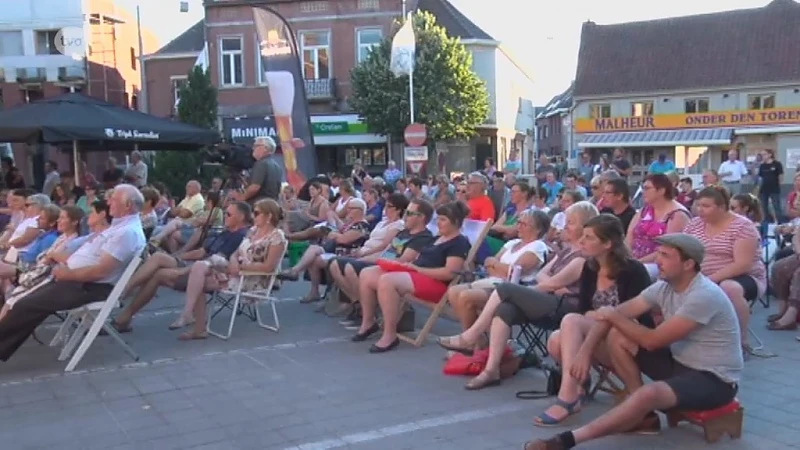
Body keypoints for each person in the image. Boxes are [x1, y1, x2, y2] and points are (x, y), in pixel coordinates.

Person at [525, 234, 742, 450]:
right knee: (617, 335)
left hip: (715, 379)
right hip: (680, 363)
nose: (658, 260)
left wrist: (613, 316)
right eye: (659, 253)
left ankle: (567, 441)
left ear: (688, 264)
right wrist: (584, 352)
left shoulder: (703, 295)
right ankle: (644, 416)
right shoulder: (664, 287)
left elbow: (652, 341)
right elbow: (616, 313)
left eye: (666, 256)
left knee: (649, 392)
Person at [437, 202, 599, 387]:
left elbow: (549, 283)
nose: (564, 226)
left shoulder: (581, 258)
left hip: (567, 308)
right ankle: (491, 370)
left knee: (507, 289)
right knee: (506, 309)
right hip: (551, 299)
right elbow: (542, 276)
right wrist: (550, 284)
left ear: (586, 226)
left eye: (571, 222)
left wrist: (539, 287)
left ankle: (470, 337)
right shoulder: (566, 251)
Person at [0, 185, 145, 361]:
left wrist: (66, 274)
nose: (108, 202)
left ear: (128, 205)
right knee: (24, 300)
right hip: (77, 280)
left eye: (113, 199)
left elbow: (100, 272)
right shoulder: (119, 228)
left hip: (88, 286)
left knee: (25, 304)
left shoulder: (127, 233)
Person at [534, 214, 651, 425]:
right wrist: (603, 315)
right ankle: (577, 387)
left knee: (570, 322)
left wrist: (602, 317)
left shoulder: (633, 271)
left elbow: (633, 316)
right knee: (556, 340)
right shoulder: (590, 268)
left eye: (589, 237)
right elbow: (584, 311)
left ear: (607, 243)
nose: (581, 241)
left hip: (625, 342)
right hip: (597, 336)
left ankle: (568, 397)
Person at [352, 201, 471, 353]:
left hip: (435, 284)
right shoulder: (438, 239)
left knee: (387, 281)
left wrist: (417, 268)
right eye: (438, 218)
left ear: (455, 222)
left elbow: (449, 273)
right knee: (368, 273)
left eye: (443, 219)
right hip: (417, 275)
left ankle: (390, 335)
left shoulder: (458, 243)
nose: (438, 223)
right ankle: (368, 322)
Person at [235, 136, 282, 204]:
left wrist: (241, 197)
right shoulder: (277, 166)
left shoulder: (261, 163)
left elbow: (255, 187)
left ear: (265, 148)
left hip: (258, 205)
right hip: (271, 205)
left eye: (256, 146)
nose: (253, 148)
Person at [758, 148, 784, 224]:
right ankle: (767, 222)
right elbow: (760, 177)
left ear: (770, 155)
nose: (763, 156)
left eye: (764, 154)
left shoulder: (777, 164)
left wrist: (779, 185)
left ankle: (780, 222)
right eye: (761, 155)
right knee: (764, 207)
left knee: (776, 206)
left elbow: (781, 176)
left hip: (774, 189)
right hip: (764, 189)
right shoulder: (762, 166)